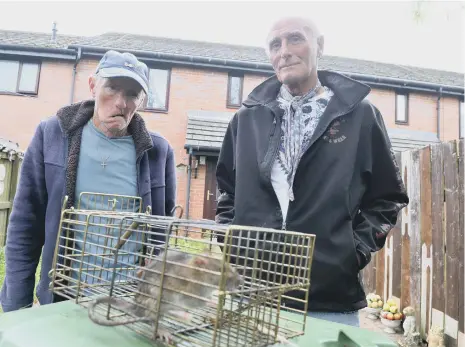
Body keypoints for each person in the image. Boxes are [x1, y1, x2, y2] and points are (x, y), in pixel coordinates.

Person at [215, 17, 409, 327]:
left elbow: (387, 198)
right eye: (274, 44)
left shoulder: (359, 115)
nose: (285, 52)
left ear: (319, 45)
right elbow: (227, 190)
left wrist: (352, 253)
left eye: (295, 39)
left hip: (329, 303)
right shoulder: (246, 118)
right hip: (251, 296)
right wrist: (233, 244)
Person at [1, 50, 176, 312]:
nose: (120, 102)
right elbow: (26, 226)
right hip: (65, 300)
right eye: (112, 87)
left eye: (131, 94)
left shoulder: (158, 152)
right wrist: (16, 305)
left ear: (141, 100)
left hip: (131, 306)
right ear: (93, 85)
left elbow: (162, 236)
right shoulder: (53, 136)